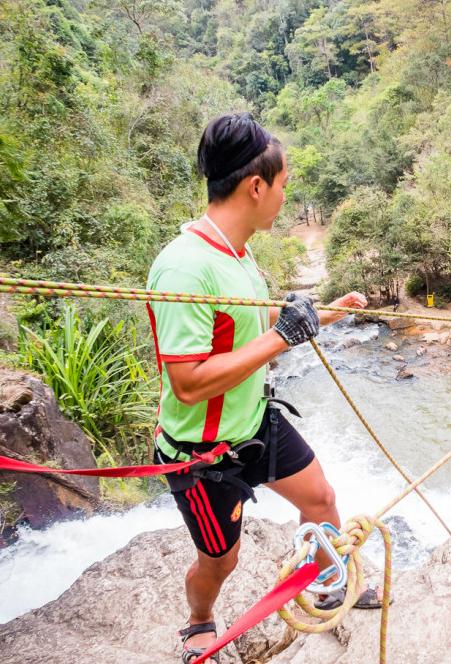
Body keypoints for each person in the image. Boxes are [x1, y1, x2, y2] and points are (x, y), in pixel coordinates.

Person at [147, 113, 378, 663]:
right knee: (220, 561)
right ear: (256, 186)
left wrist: (322, 315)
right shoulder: (185, 267)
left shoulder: (237, 251)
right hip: (203, 455)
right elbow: (187, 384)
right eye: (282, 184)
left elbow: (248, 325)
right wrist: (282, 337)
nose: (285, 195)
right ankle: (198, 620)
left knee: (321, 498)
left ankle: (324, 580)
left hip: (253, 422)